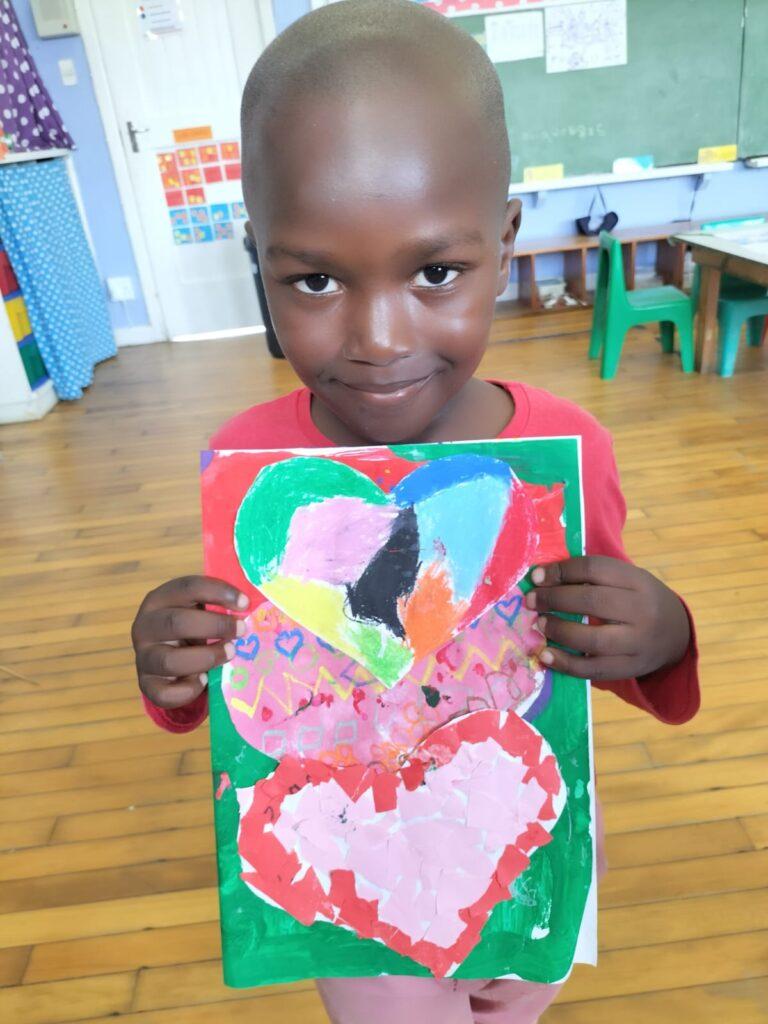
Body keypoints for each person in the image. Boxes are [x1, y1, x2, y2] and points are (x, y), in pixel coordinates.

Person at [131, 2, 699, 1020]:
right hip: (348, 848)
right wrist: (173, 668)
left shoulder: (565, 451)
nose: (381, 337)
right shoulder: (261, 475)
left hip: (518, 820)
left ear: (505, 241)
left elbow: (589, 645)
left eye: (436, 273)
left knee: (512, 1009)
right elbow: (248, 692)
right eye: (315, 280)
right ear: (260, 262)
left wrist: (662, 634)